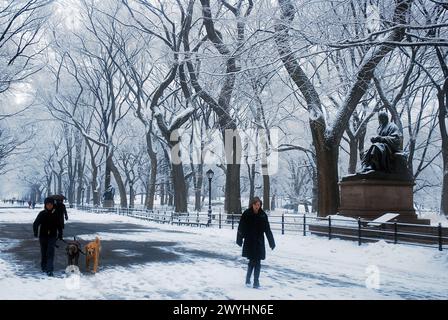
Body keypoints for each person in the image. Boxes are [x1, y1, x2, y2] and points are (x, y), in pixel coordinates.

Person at [236, 197, 275, 289]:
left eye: (259, 205)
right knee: (252, 261)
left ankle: (255, 281)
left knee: (257, 261)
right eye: (256, 205)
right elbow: (241, 227)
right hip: (249, 241)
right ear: (252, 204)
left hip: (259, 241)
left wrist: (271, 242)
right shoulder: (247, 214)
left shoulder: (263, 215)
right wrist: (240, 239)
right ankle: (249, 278)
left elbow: (267, 229)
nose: (258, 206)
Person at [33, 197, 63, 277]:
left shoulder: (56, 214)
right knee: (44, 252)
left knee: (50, 252)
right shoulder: (42, 213)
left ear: (53, 205)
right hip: (43, 236)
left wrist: (60, 234)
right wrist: (35, 232)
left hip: (52, 236)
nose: (49, 206)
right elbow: (36, 223)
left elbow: (59, 225)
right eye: (47, 204)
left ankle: (49, 270)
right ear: (45, 205)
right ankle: (44, 266)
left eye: (51, 204)